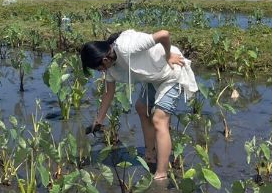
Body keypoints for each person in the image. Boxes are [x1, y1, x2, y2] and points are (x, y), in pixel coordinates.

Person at [79, 29, 198, 180]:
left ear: (104, 60)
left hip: (171, 71)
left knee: (159, 119)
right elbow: (109, 93)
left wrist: (168, 56)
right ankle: (150, 154)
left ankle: (161, 174)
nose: (99, 72)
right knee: (141, 108)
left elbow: (164, 34)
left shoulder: (126, 46)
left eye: (98, 68)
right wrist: (99, 120)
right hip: (153, 77)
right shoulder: (110, 68)